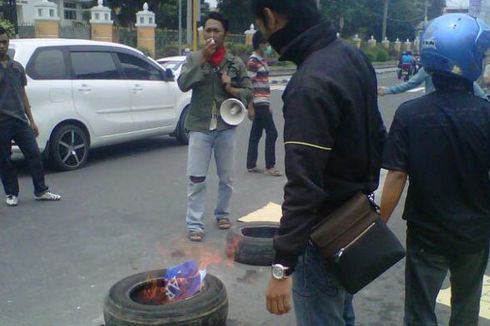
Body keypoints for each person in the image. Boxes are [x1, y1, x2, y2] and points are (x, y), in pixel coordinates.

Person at [250, 1, 386, 324]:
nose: (265, 36)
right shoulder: (353, 58)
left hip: (323, 239)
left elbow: (303, 188)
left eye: (262, 26)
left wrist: (282, 268)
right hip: (354, 224)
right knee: (342, 314)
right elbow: (379, 139)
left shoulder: (309, 84)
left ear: (271, 17)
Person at [380, 14, 490, 326]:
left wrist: (376, 228)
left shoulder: (410, 114)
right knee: (466, 309)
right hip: (475, 233)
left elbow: (396, 176)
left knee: (419, 311)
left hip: (426, 233)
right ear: (469, 62)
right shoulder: (486, 114)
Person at [177, 12, 252, 242]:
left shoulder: (235, 63)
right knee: (196, 178)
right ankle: (195, 224)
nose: (211, 35)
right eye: (207, 30)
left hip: (226, 126)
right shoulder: (193, 59)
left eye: (216, 30)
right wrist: (201, 60)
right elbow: (182, 84)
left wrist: (232, 90)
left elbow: (249, 92)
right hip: (199, 126)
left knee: (226, 178)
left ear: (224, 34)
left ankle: (222, 214)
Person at [0, 27, 61, 206]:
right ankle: (11, 193)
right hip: (2, 123)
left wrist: (32, 121)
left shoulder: (17, 67)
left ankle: (41, 190)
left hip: (20, 121)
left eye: (4, 42)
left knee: (34, 154)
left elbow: (23, 95)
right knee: (5, 160)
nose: (2, 46)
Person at [246, 30, 282, 177]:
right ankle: (270, 166)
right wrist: (250, 106)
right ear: (260, 44)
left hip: (264, 101)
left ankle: (251, 164)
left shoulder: (262, 59)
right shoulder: (253, 60)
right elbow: (249, 84)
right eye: (266, 43)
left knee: (256, 133)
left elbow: (264, 83)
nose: (268, 46)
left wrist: (269, 103)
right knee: (272, 133)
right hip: (258, 102)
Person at [378, 66, 488, 99]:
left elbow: (410, 84)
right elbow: (473, 86)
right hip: (457, 107)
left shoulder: (429, 67)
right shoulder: (456, 67)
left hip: (430, 106)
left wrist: (387, 90)